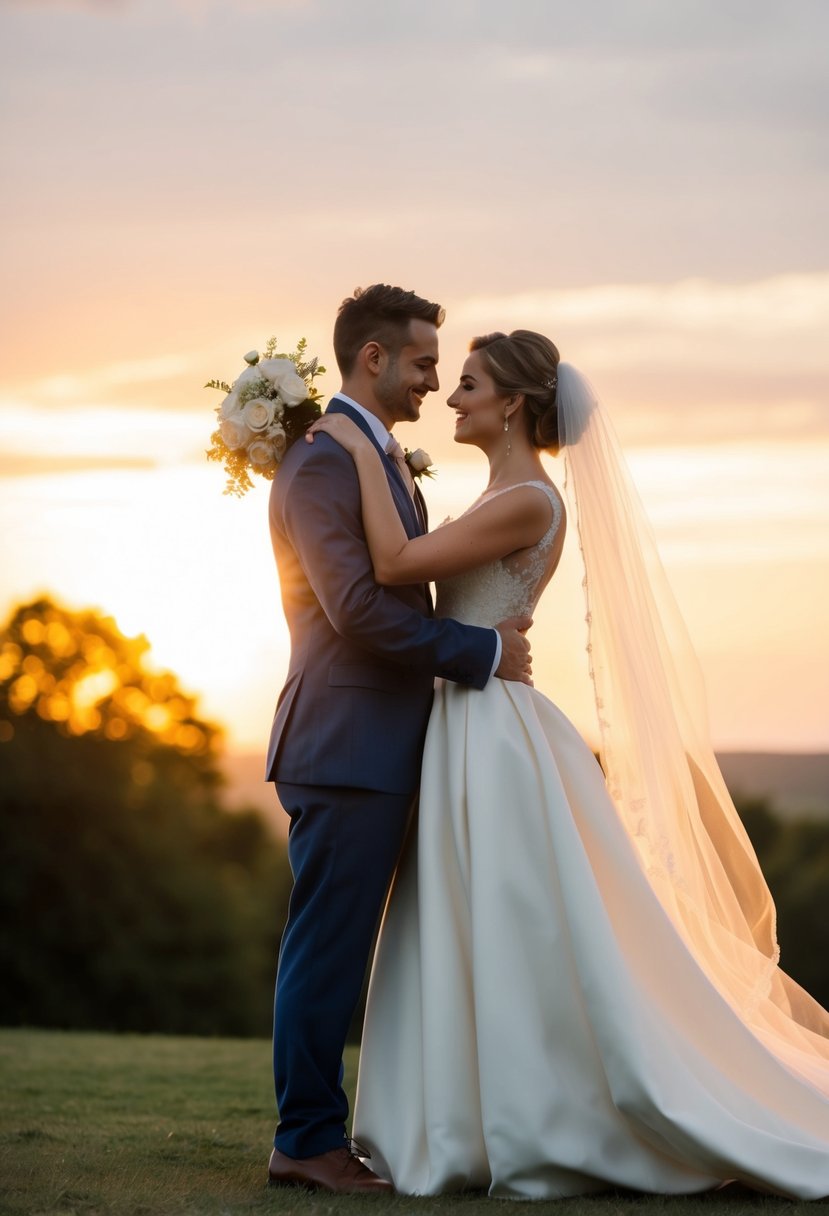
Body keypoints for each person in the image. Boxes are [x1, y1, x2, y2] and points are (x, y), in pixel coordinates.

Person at [307, 329, 829, 1200]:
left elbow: (395, 564)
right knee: (463, 919)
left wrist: (359, 442)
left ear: (511, 403)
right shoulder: (497, 492)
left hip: (491, 731)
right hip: (463, 717)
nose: (451, 395)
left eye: (467, 383)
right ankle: (463, 1118)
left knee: (512, 926)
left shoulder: (525, 501)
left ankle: (538, 1116)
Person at [264, 287, 533, 1194]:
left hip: (384, 740)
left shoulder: (373, 458)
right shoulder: (320, 464)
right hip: (345, 741)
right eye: (424, 363)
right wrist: (480, 650)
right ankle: (305, 1140)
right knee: (328, 947)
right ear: (371, 359)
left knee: (352, 945)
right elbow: (354, 609)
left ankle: (344, 1129)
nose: (433, 381)